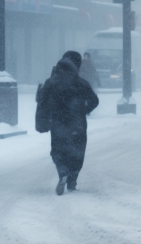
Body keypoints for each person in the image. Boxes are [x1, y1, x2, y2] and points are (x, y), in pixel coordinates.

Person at [36, 52, 99, 195]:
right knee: (77, 152)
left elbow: (42, 102)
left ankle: (63, 172)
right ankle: (72, 181)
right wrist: (84, 109)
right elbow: (94, 101)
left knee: (58, 150)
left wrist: (46, 117)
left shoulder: (51, 83)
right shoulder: (80, 83)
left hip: (57, 124)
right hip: (78, 125)